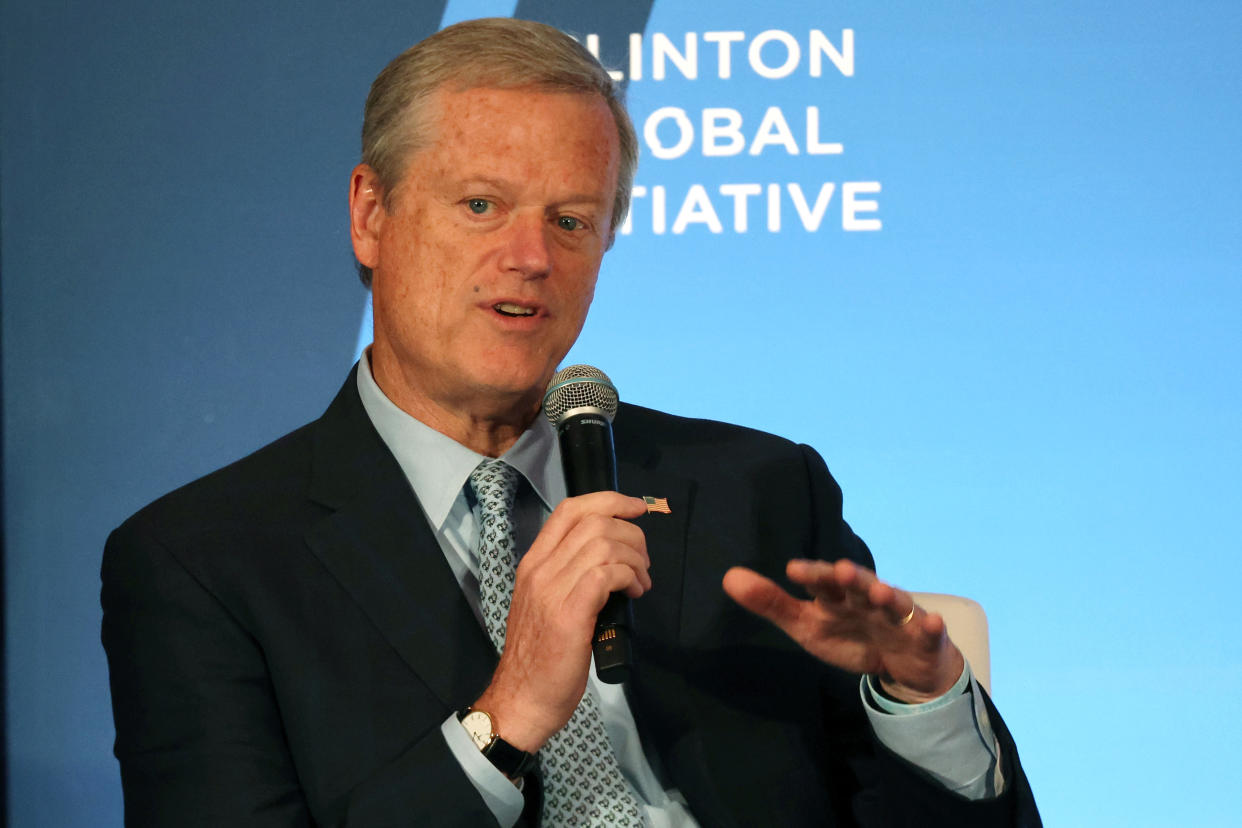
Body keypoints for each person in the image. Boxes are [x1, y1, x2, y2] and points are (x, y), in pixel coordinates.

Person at [102, 17, 1040, 827]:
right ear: (371, 214)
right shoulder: (205, 563)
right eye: (481, 206)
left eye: (571, 221)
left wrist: (923, 701)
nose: (529, 258)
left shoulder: (756, 488)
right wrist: (502, 722)